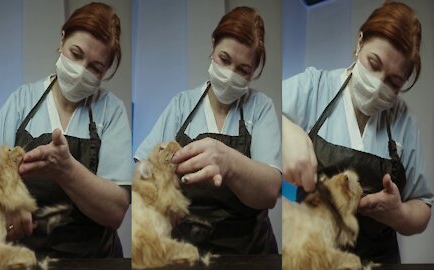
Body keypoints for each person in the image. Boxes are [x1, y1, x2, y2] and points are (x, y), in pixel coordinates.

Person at [0, 2, 131, 258]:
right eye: (76, 54)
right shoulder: (23, 101)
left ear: (104, 73)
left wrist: (66, 170)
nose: (80, 72)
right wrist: (7, 200)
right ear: (62, 38)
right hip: (23, 257)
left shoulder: (111, 111)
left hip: (94, 260)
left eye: (95, 67)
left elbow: (115, 211)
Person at [282, 1, 433, 263]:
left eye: (393, 82)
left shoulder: (404, 122)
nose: (377, 85)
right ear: (360, 42)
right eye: (373, 64)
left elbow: (422, 209)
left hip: (379, 261)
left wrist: (397, 213)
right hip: (313, 256)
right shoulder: (315, 88)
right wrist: (286, 131)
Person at [135, 6, 282, 255]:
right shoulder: (182, 105)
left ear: (253, 72)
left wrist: (228, 162)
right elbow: (141, 168)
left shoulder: (261, 108)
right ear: (213, 46)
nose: (229, 75)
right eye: (224, 60)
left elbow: (272, 191)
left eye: (243, 70)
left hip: (250, 251)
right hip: (184, 247)